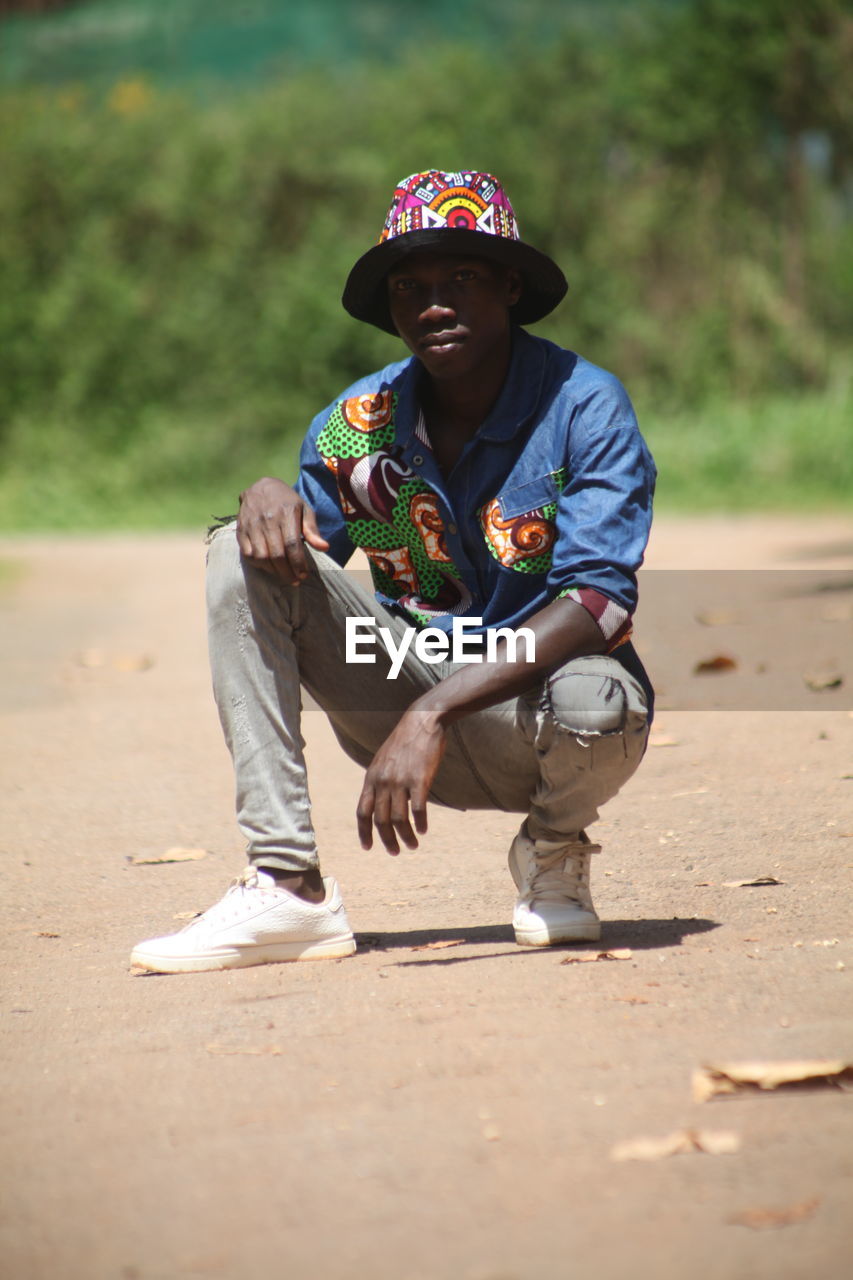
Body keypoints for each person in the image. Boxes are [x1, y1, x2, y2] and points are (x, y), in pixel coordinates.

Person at [131, 169, 656, 974]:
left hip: (536, 713)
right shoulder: (355, 427)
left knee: (601, 695)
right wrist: (262, 498)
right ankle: (287, 886)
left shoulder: (582, 405)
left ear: (509, 286)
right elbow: (294, 562)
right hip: (400, 680)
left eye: (461, 278)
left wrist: (432, 716)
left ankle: (553, 851)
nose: (432, 304)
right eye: (409, 287)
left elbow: (598, 603)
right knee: (240, 553)